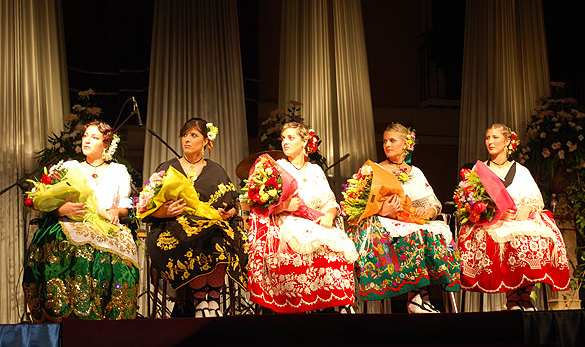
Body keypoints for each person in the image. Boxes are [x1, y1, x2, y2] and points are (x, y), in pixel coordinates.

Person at [23, 121, 139, 322]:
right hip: (71, 222)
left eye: (94, 137)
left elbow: (125, 205)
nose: (87, 140)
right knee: (64, 246)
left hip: (104, 226)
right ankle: (63, 313)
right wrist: (61, 209)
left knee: (115, 254)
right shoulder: (70, 167)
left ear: (106, 144)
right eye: (86, 135)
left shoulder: (118, 170)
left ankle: (104, 315)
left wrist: (116, 211)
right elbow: (53, 199)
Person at [345, 122, 460, 313]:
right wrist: (381, 209)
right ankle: (417, 298)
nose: (387, 145)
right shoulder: (373, 170)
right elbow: (355, 205)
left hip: (409, 221)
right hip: (382, 223)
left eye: (392, 140)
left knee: (433, 233)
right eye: (384, 141)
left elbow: (434, 203)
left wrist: (429, 211)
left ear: (406, 144)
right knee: (414, 236)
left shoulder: (415, 173)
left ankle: (421, 296)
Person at [457, 123, 571, 311]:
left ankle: (522, 297)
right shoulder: (478, 171)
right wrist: (495, 214)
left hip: (518, 219)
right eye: (487, 137)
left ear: (507, 141)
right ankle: (515, 299)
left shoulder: (521, 170)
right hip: (490, 224)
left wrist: (525, 209)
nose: (490, 142)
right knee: (515, 240)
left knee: (536, 235)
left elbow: (535, 199)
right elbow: (468, 203)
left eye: (495, 137)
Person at [247, 122, 358, 313]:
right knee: (297, 250)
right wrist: (284, 206)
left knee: (338, 246)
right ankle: (297, 305)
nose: (285, 143)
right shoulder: (276, 167)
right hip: (286, 221)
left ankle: (336, 306)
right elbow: (260, 205)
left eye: (291, 138)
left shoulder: (315, 170)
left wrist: (329, 216)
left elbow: (330, 201)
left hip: (315, 221)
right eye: (283, 139)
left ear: (304, 142)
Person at [144, 118, 248, 318]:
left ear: (206, 140)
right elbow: (147, 205)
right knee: (193, 239)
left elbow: (231, 203)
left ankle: (212, 301)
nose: (187, 140)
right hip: (173, 227)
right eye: (184, 135)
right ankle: (201, 301)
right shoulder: (168, 167)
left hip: (210, 226)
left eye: (193, 135)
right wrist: (163, 212)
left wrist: (230, 212)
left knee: (217, 237)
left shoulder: (216, 170)